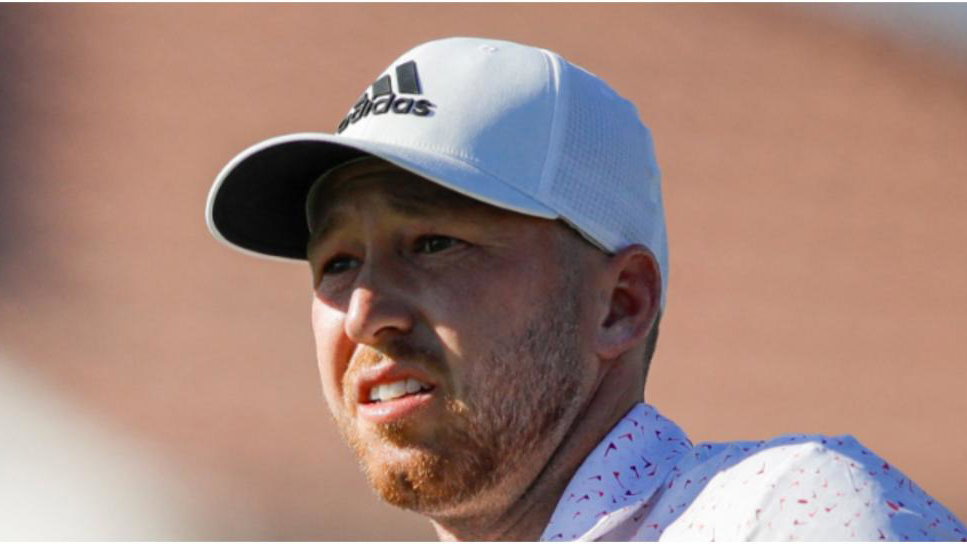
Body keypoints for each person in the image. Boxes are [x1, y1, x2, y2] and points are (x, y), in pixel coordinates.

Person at [206, 37, 966, 541]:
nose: (365, 313)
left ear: (620, 303)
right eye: (338, 262)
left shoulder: (781, 516)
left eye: (433, 244)